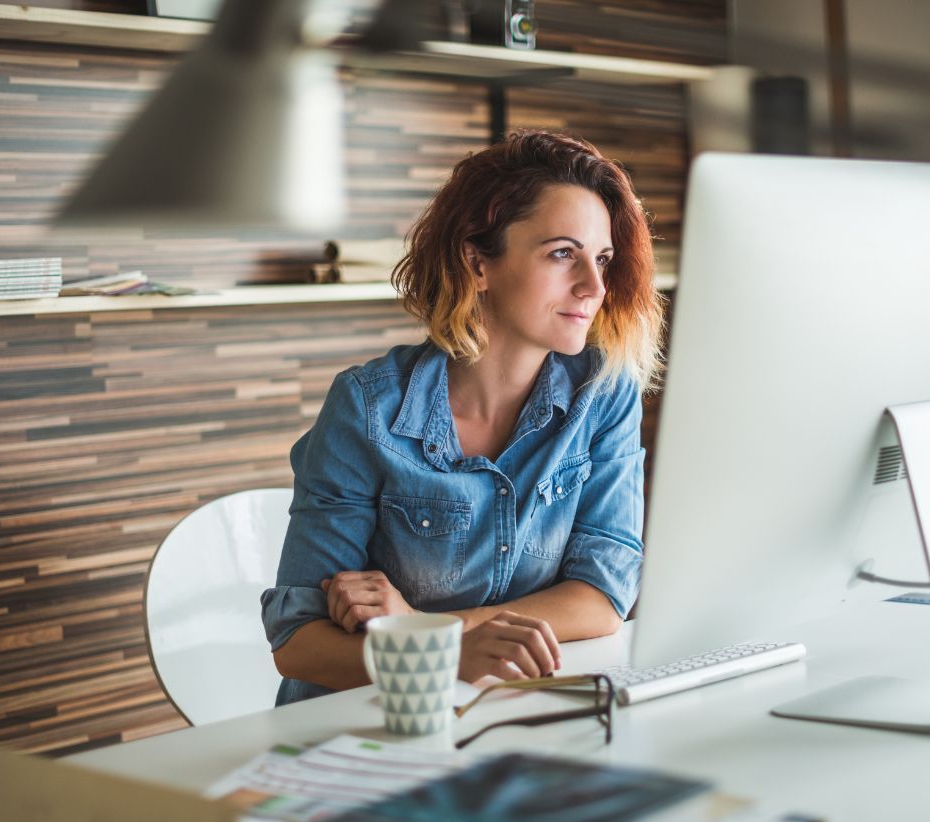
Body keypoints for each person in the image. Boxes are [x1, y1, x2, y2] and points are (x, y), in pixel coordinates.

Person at [260, 130, 666, 704]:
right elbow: (298, 641)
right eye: (561, 254)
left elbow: (602, 599)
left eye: (601, 259)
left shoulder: (604, 393)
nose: (594, 286)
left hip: (505, 713)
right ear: (477, 263)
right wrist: (447, 659)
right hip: (363, 727)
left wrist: (429, 630)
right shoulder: (367, 407)